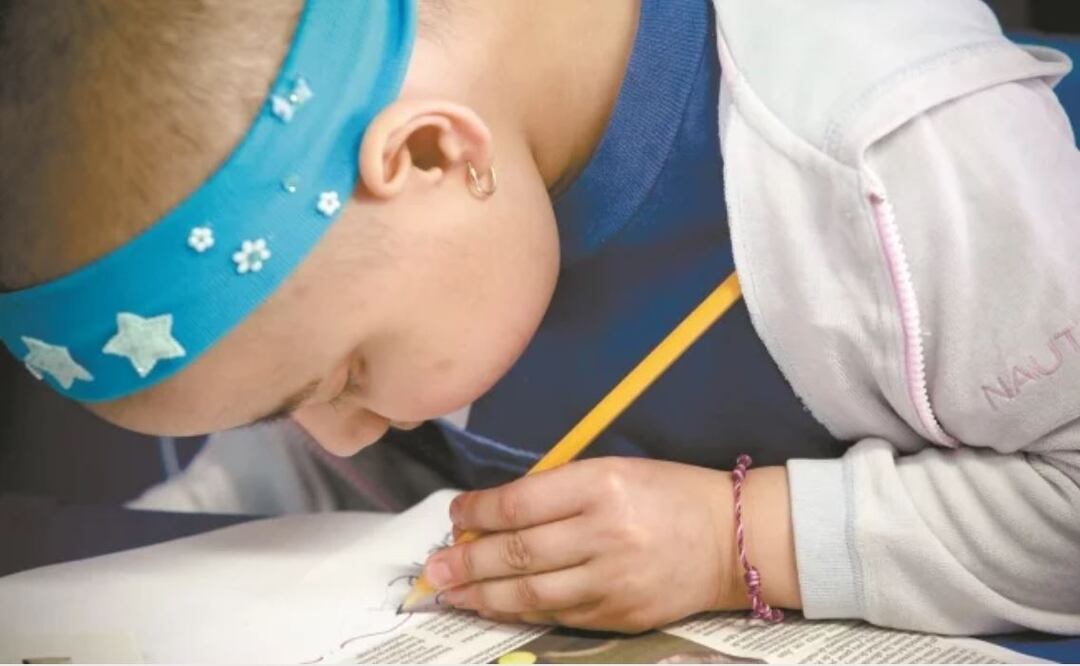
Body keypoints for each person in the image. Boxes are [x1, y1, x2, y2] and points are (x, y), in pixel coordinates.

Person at [1, 0, 1078, 636]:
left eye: (338, 379)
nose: (344, 434)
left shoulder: (887, 138)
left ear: (431, 154)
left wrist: (737, 541)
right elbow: (348, 480)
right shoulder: (420, 245)